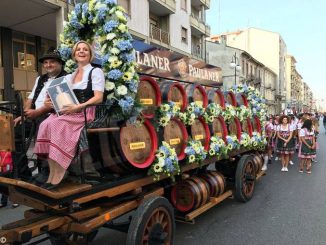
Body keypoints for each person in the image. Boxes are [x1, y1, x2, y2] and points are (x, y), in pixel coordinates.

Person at [34, 41, 105, 190]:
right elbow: (57, 93)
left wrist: (77, 107)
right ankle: (52, 173)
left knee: (56, 124)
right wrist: (51, 100)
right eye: (78, 49)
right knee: (45, 124)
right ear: (74, 54)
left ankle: (60, 171)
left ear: (90, 54)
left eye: (85, 49)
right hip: (70, 111)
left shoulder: (95, 72)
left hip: (85, 112)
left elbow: (99, 98)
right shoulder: (71, 75)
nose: (81, 51)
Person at [13, 48, 67, 184]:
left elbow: (55, 104)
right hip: (35, 115)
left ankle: (45, 170)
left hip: (54, 116)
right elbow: (30, 99)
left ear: (60, 63)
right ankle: (23, 173)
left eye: (52, 62)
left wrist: (37, 113)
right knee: (14, 131)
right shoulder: (40, 79)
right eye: (46, 62)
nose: (48, 65)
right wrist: (24, 115)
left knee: (42, 127)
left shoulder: (66, 78)